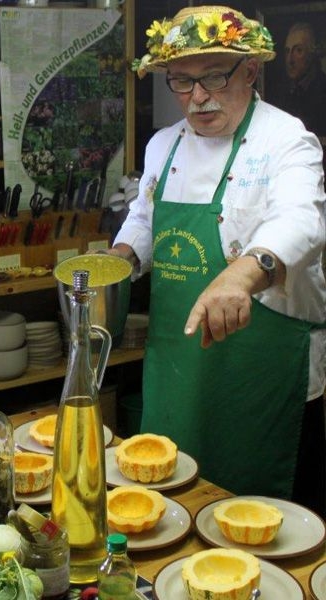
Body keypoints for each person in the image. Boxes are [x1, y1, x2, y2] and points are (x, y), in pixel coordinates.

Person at [125, 6, 326, 516]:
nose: (197, 97)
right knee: (169, 501)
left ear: (250, 70)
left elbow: (301, 220)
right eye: (181, 81)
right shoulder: (162, 146)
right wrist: (118, 259)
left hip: (261, 369)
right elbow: (143, 220)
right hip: (176, 365)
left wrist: (240, 275)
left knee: (260, 518)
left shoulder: (287, 139)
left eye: (214, 76)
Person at [278, 22, 326, 141]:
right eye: (287, 51)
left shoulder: (322, 89)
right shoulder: (282, 92)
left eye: (298, 50)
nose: (290, 60)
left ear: (312, 54)